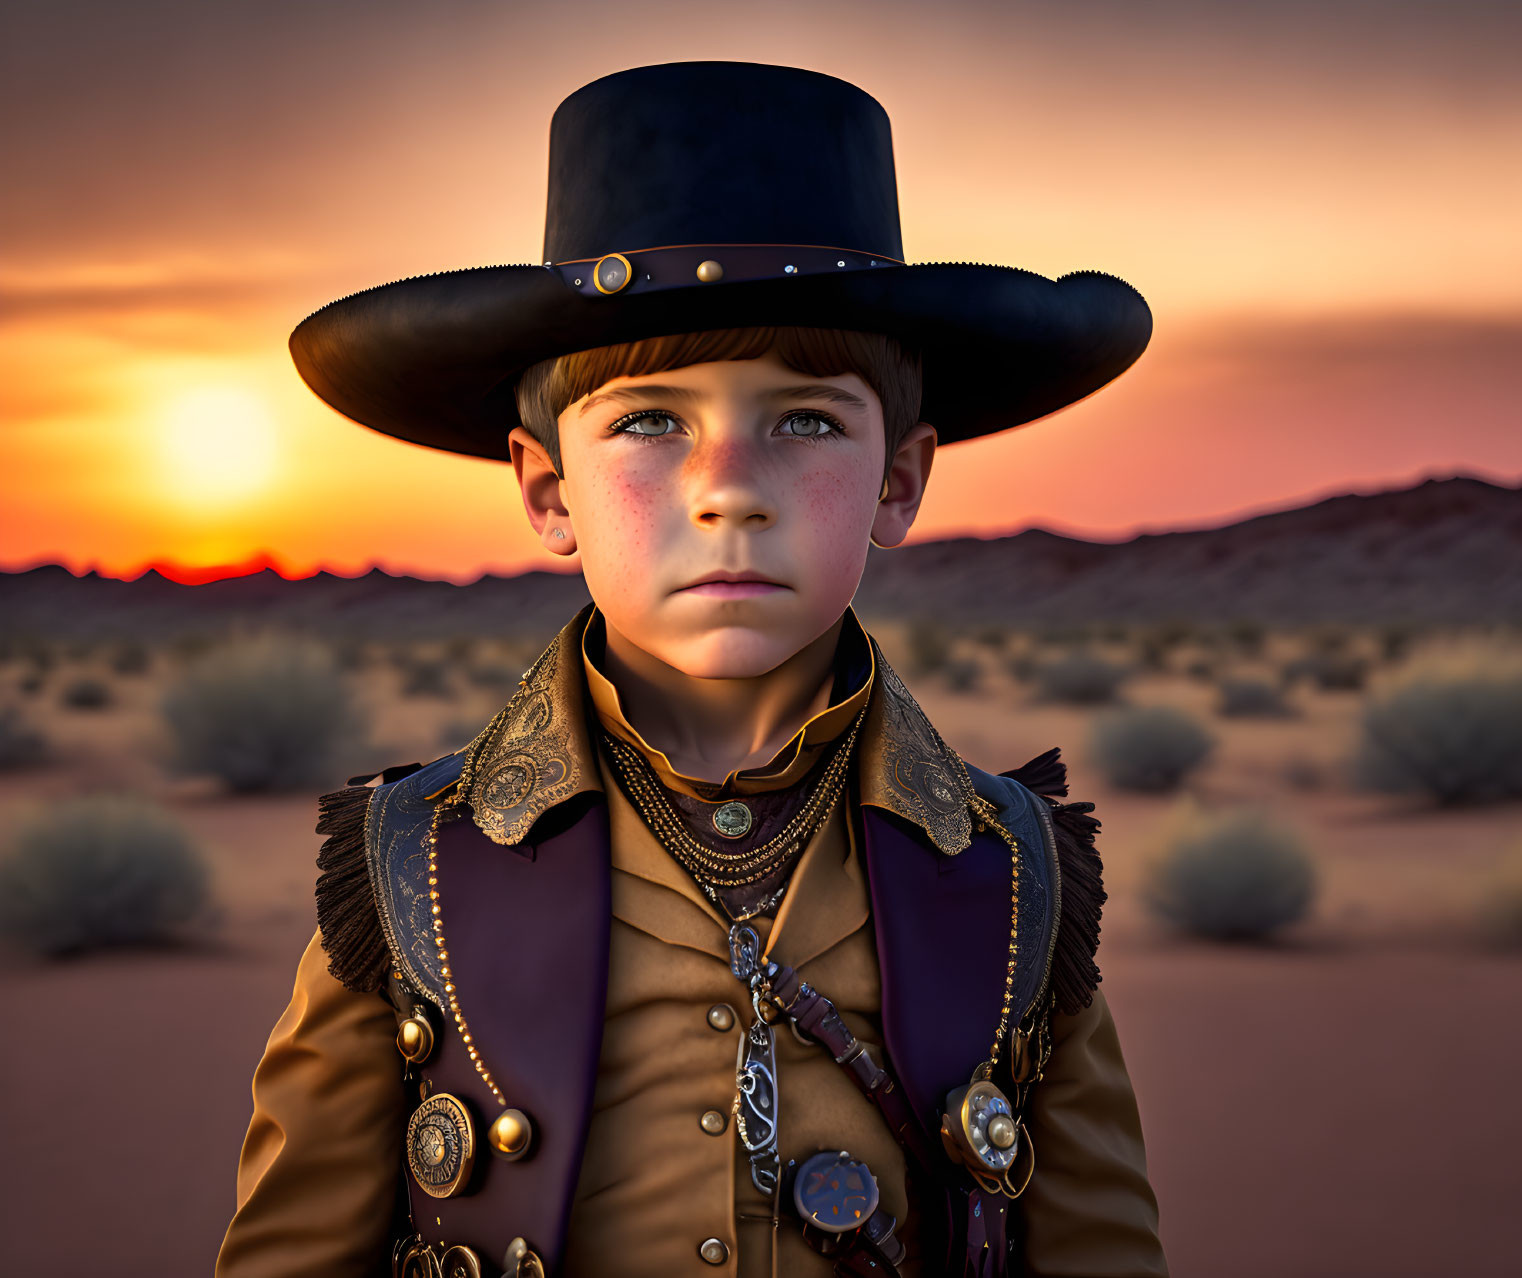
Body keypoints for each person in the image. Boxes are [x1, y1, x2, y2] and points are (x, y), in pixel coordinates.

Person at [216, 60, 1166, 1278]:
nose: (726, 489)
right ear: (546, 487)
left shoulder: (1015, 877)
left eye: (807, 420)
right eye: (650, 422)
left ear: (900, 480)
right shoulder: (415, 873)